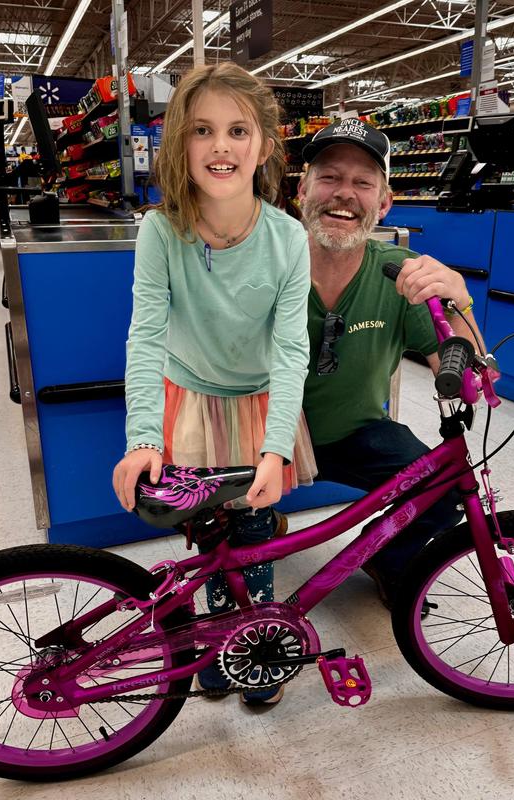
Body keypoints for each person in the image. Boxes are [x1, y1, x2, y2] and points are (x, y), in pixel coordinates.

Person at [112, 63, 316, 705]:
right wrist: (143, 436)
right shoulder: (160, 232)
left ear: (263, 146)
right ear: (181, 143)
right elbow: (145, 336)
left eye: (237, 130)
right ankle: (210, 644)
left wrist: (276, 445)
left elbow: (290, 350)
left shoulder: (288, 239)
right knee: (208, 537)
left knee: (257, 537)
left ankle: (256, 656)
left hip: (260, 406)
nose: (221, 146)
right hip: (190, 402)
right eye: (203, 130)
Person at [298, 119, 485, 608]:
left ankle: (388, 560)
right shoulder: (263, 266)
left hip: (357, 431)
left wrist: (460, 302)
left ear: (384, 203)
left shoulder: (402, 275)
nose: (344, 194)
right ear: (302, 189)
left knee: (446, 491)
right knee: (226, 519)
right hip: (265, 434)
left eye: (363, 183)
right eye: (329, 177)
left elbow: (465, 377)